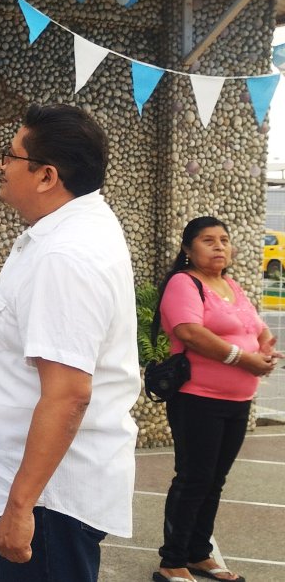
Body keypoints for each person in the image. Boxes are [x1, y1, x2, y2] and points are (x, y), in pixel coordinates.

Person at [0, 103, 141, 581]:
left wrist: (21, 508)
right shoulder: (65, 233)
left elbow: (68, 394)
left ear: (45, 176)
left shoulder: (66, 255)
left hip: (50, 501)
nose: (0, 163)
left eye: (11, 154)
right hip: (45, 491)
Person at [151, 217, 278, 582]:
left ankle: (198, 553)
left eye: (224, 239)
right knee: (194, 478)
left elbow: (257, 326)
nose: (219, 246)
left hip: (238, 400)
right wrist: (242, 359)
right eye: (208, 240)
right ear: (188, 250)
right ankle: (172, 561)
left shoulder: (230, 285)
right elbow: (190, 332)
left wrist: (266, 346)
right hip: (197, 399)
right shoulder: (183, 283)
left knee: (215, 479)